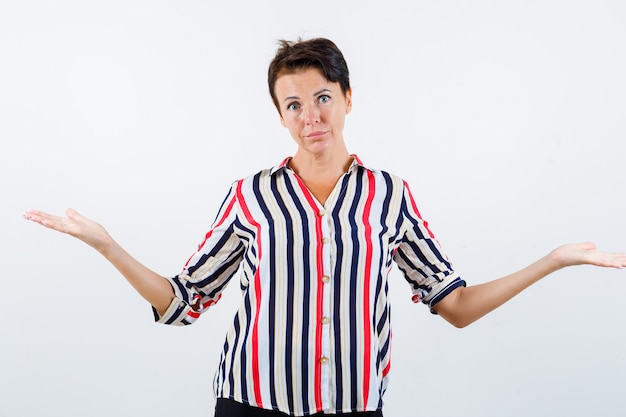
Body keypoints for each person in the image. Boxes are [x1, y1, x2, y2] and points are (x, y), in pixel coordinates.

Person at [24, 38, 626, 417]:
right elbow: (185, 303)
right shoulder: (250, 194)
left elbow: (457, 305)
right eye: (293, 104)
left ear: (346, 98)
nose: (310, 116)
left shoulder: (389, 195)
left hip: (354, 411)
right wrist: (106, 246)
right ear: (280, 116)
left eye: (321, 97)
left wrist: (553, 260)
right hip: (251, 407)